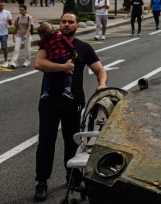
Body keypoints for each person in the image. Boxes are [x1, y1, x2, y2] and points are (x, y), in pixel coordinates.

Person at [33, 12, 107, 202]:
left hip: (73, 102)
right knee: (46, 142)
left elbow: (99, 69)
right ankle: (41, 182)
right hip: (49, 102)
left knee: (72, 140)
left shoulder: (83, 47)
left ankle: (72, 177)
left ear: (77, 26)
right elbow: (38, 63)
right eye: (64, 22)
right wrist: (63, 68)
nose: (66, 24)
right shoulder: (50, 42)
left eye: (70, 22)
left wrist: (102, 84)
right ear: (60, 24)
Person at [36, 22, 77, 101]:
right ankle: (67, 90)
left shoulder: (44, 41)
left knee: (48, 74)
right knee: (67, 73)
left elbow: (39, 43)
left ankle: (45, 91)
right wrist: (73, 53)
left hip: (52, 59)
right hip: (64, 58)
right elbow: (70, 45)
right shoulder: (60, 36)